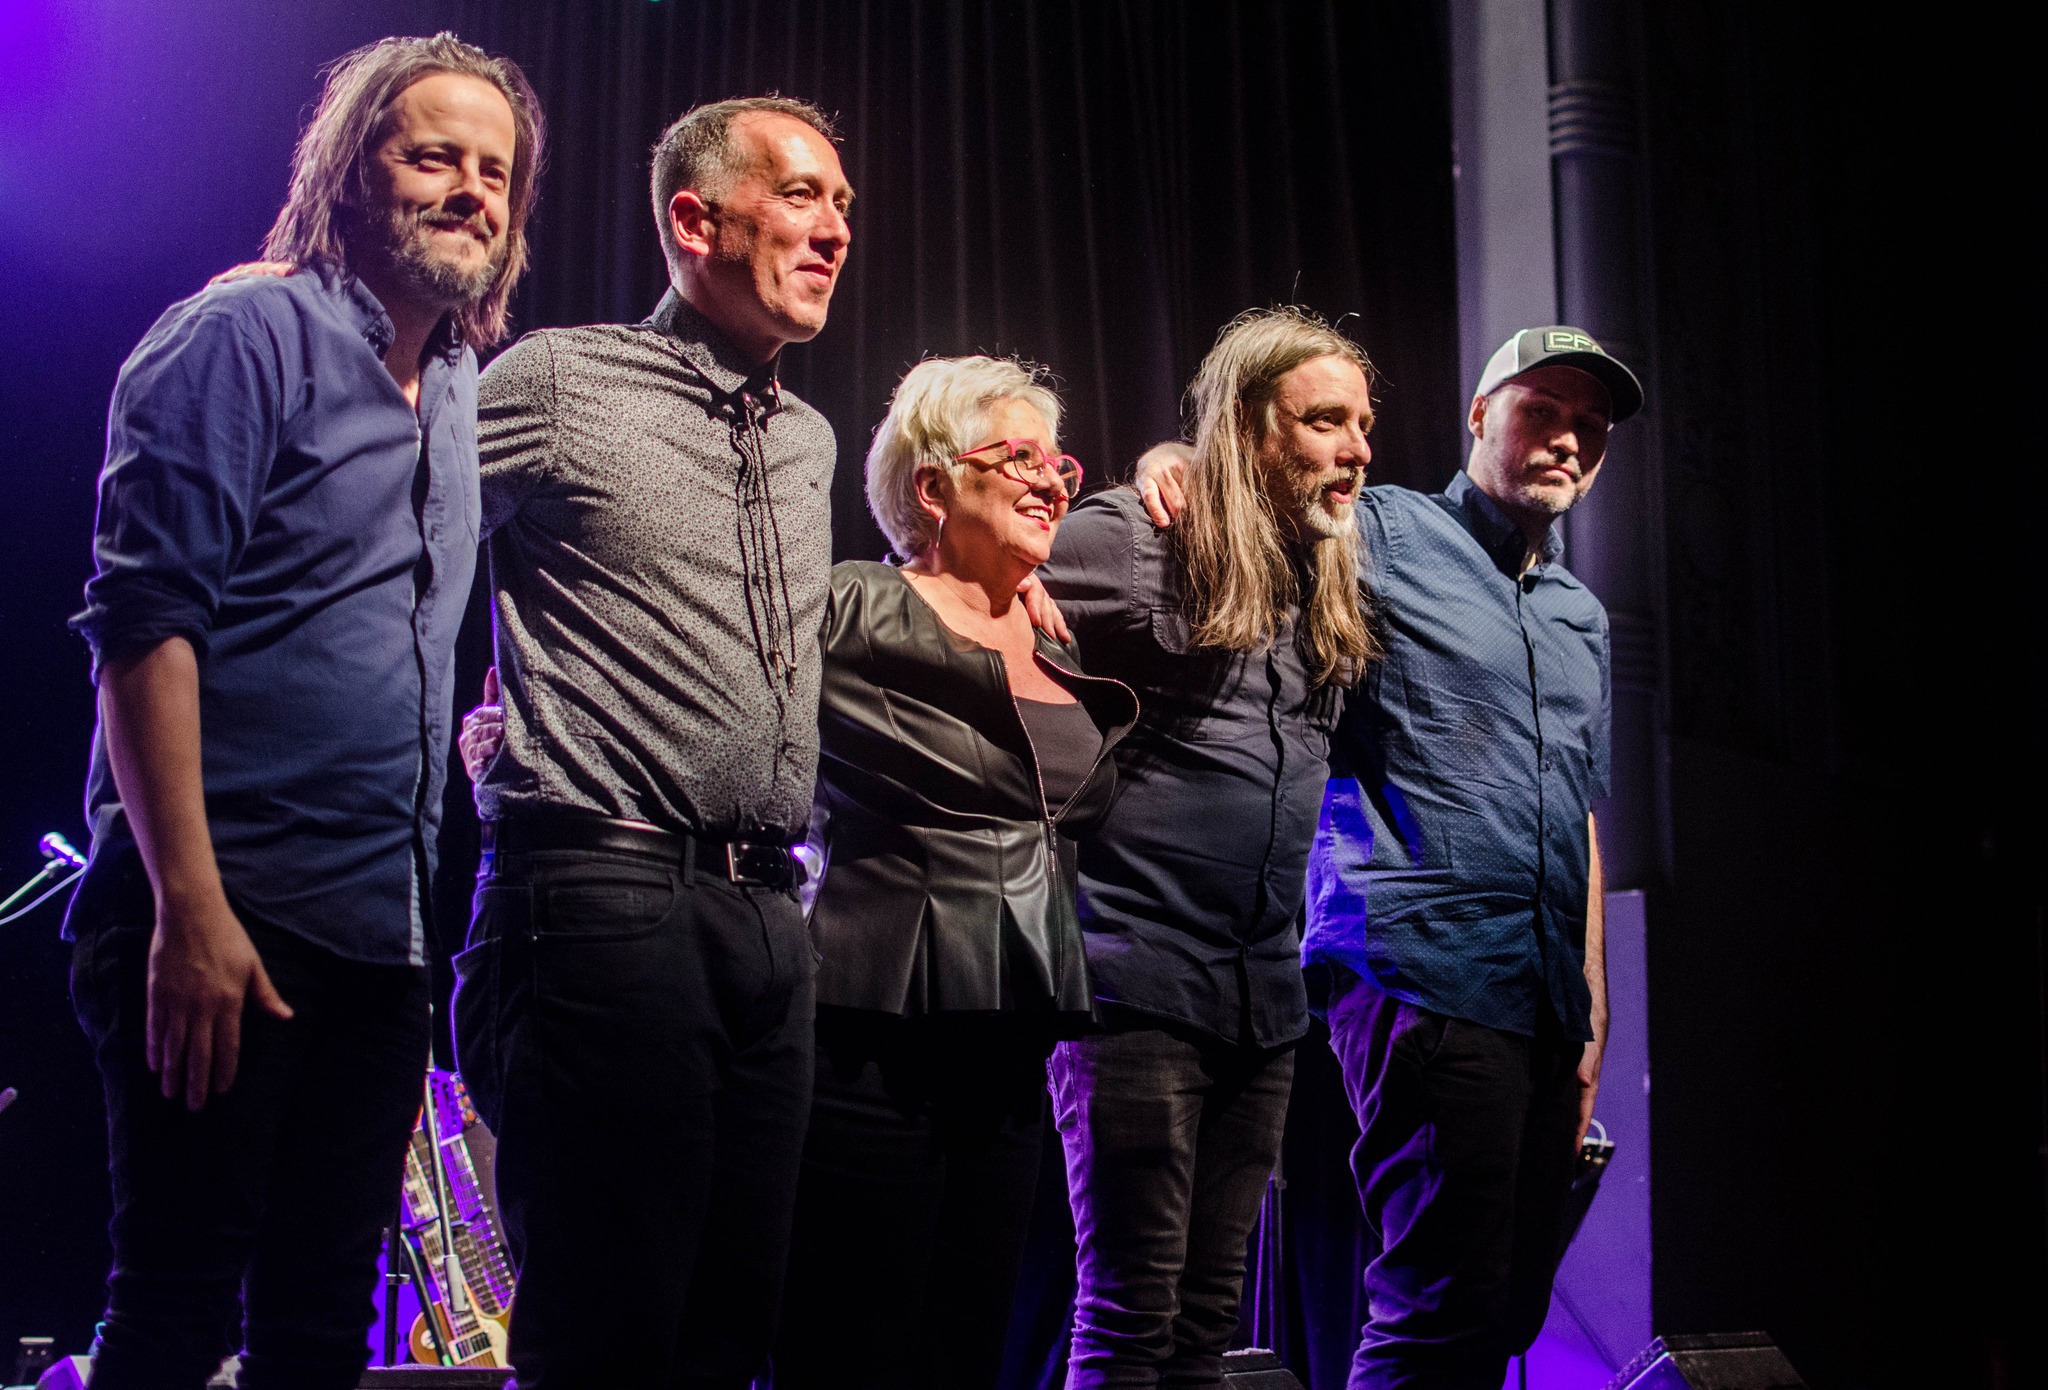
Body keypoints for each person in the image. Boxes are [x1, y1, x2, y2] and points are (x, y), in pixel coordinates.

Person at [62, 34, 541, 1390]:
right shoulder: (242, 333)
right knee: (172, 1313)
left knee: (324, 1329)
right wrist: (188, 909)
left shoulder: (454, 382)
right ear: (350, 169)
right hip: (220, 914)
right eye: (432, 154)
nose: (470, 190)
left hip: (379, 943)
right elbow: (143, 622)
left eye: (494, 169)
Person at [1138, 325, 1643, 1389]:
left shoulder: (1580, 618)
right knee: (1438, 1307)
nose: (1565, 440)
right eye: (1540, 411)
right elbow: (1248, 494)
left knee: (1503, 1313)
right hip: (1425, 978)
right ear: (1477, 415)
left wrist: (1592, 1005)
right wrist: (1169, 464)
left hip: (1545, 1004)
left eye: (1586, 428)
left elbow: (1576, 812)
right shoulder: (1382, 531)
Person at [446, 96, 854, 1389]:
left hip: (765, 916)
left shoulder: (807, 435)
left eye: (842, 202)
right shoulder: (564, 381)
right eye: (801, 194)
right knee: (607, 1334)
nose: (835, 227)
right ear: (694, 218)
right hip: (604, 895)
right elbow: (386, 525)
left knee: (734, 1333)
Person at [773, 357, 1137, 1388]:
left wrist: (1162, 461)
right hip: (868, 1034)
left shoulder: (1057, 636)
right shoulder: (848, 606)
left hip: (1011, 1043)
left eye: (1056, 461)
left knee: (970, 1350)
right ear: (931, 487)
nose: (1051, 480)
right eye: (1014, 455)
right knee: (848, 1347)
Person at [1035, 306, 1380, 1387]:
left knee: (1203, 1324)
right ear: (1245, 428)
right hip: (1131, 989)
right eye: (1323, 420)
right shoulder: (1136, 540)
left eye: (1363, 423)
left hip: (1262, 1009)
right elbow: (965, 584)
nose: (1356, 448)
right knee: (1129, 1311)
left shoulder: (1323, 572)